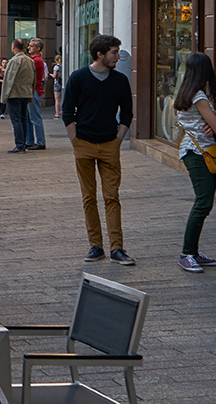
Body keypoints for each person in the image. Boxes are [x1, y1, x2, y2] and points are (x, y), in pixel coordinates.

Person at [60, 34, 134, 266]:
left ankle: (117, 248)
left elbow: (127, 113)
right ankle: (95, 246)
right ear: (100, 54)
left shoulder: (120, 80)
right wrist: (76, 141)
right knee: (88, 197)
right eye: (114, 52)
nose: (118, 56)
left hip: (109, 145)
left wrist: (118, 139)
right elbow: (67, 111)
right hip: (84, 144)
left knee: (112, 197)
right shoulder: (78, 78)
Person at [172, 53, 216, 273]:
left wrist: (212, 122)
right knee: (203, 202)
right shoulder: (199, 97)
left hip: (197, 150)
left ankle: (193, 252)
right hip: (199, 152)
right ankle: (187, 253)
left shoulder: (188, 93)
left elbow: (210, 124)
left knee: (204, 202)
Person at [1, 40, 35, 153]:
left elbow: (8, 80)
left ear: (13, 46)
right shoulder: (30, 61)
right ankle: (23, 143)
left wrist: (4, 96)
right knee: (23, 118)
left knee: (16, 120)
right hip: (26, 92)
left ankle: (20, 145)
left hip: (15, 93)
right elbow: (33, 78)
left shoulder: (15, 60)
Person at [27, 38, 49, 149]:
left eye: (31, 46)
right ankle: (29, 141)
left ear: (38, 48)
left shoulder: (36, 61)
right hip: (33, 90)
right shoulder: (33, 59)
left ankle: (40, 142)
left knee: (35, 118)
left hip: (35, 91)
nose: (28, 47)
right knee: (30, 117)